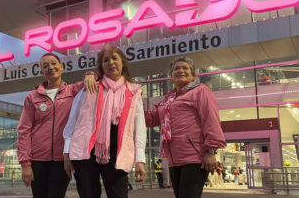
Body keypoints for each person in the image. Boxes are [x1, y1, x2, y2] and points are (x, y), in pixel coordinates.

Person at [63, 44, 147, 198]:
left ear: (122, 63)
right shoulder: (89, 88)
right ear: (101, 66)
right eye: (106, 60)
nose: (111, 62)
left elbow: (139, 128)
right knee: (88, 194)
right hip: (86, 150)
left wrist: (140, 159)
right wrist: (67, 154)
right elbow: (72, 123)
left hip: (118, 149)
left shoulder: (133, 92)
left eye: (115, 58)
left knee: (119, 194)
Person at [144, 56, 226, 198]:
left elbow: (211, 120)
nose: (180, 70)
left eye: (185, 68)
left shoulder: (201, 91)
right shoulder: (169, 98)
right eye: (176, 68)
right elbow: (151, 119)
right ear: (171, 77)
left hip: (194, 157)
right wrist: (134, 104)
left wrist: (211, 151)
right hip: (174, 160)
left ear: (193, 74)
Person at [16, 52, 95, 198]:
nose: (50, 67)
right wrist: (25, 163)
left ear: (62, 66)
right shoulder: (32, 97)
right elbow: (24, 130)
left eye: (53, 63)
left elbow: (96, 80)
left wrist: (90, 74)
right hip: (37, 160)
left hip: (62, 160)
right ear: (42, 72)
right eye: (45, 66)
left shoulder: (73, 91)